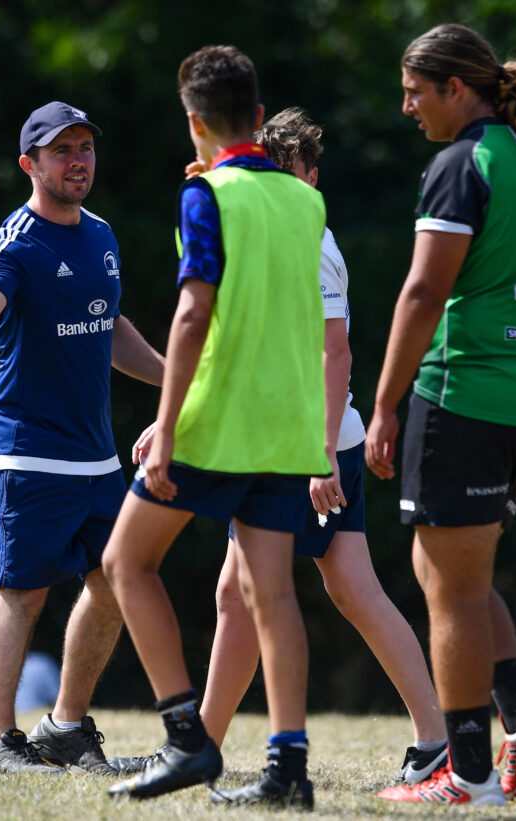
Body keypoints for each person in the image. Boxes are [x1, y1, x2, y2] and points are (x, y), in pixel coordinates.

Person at [101, 46, 327, 809]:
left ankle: (186, 738)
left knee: (125, 561)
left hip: (218, 418)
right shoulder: (305, 200)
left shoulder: (207, 196)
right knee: (275, 595)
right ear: (260, 120)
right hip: (288, 426)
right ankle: (287, 769)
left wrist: (165, 425)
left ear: (193, 121)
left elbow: (195, 310)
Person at [196, 107, 448, 784]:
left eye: (299, 175)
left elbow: (336, 354)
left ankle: (198, 748)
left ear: (313, 175)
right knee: (348, 590)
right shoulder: (280, 232)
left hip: (311, 448)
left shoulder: (313, 242)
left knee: (245, 593)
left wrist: (316, 455)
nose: (291, 188)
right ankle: (435, 739)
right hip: (307, 442)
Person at [366, 24, 516, 806]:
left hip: (467, 394)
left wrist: (385, 403)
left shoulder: (462, 164)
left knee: (449, 587)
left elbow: (422, 294)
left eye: (416, 90)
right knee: (452, 569)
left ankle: (470, 774)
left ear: (459, 88)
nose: (408, 106)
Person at [0, 101, 164, 774]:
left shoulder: (100, 234)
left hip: (95, 453)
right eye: (61, 150)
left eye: (85, 148)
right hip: (27, 449)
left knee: (118, 577)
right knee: (24, 589)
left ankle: (65, 725)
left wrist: (173, 379)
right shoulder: (19, 238)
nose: (78, 160)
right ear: (29, 164)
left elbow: (110, 324)